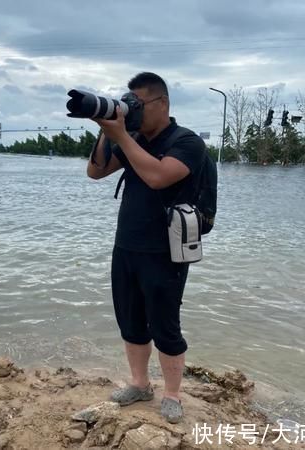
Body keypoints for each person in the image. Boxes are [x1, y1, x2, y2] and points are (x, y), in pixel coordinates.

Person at [86, 72, 206, 423]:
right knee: (131, 321)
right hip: (126, 246)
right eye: (129, 104)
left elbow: (156, 176)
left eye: (136, 105)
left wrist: (121, 134)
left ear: (162, 103)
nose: (132, 111)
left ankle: (171, 394)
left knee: (165, 325)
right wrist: (106, 129)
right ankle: (140, 384)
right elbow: (95, 172)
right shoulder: (132, 138)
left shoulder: (187, 142)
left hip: (165, 251)